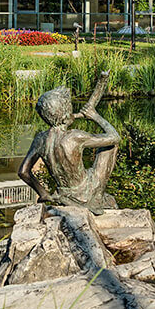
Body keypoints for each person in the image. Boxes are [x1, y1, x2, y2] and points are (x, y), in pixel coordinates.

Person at [18, 71, 120, 214]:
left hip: (63, 194)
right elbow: (115, 137)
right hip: (84, 195)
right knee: (110, 144)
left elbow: (23, 172)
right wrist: (95, 116)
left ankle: (88, 197)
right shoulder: (74, 137)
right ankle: (96, 198)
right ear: (65, 113)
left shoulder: (40, 139)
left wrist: (44, 193)